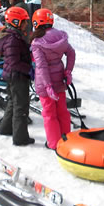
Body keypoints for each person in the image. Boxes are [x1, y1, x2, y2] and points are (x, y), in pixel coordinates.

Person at [30, 9, 75, 150]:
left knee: (49, 114)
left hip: (45, 83)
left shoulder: (37, 42)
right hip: (60, 79)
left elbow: (42, 66)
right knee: (62, 110)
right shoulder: (60, 36)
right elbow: (71, 53)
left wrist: (47, 86)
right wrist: (68, 71)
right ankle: (66, 138)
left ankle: (54, 143)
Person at [0, 6, 35, 146]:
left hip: (13, 75)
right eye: (24, 22)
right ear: (15, 22)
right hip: (17, 76)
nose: (26, 24)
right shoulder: (13, 39)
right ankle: (20, 137)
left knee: (13, 102)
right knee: (21, 106)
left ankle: (6, 128)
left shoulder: (14, 36)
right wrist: (29, 69)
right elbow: (14, 62)